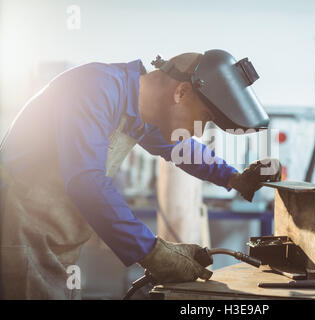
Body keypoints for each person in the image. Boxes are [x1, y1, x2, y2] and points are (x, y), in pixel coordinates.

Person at [0, 50, 281, 299]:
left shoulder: (140, 114)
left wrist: (233, 178)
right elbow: (87, 183)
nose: (198, 132)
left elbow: (181, 149)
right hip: (18, 234)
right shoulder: (96, 88)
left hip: (54, 244)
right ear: (181, 92)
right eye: (204, 119)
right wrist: (151, 252)